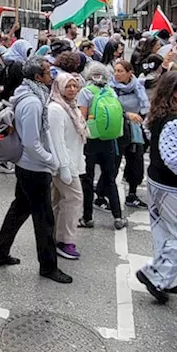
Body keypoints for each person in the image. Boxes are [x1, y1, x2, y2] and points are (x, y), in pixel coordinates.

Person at [0, 56, 73, 283]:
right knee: (44, 219)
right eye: (47, 72)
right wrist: (51, 161)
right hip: (34, 169)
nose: (51, 76)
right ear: (38, 77)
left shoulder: (33, 95)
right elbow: (31, 142)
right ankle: (48, 267)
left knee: (19, 211)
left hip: (30, 167)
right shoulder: (33, 102)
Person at [135, 71, 177, 303]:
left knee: (164, 232)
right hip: (175, 188)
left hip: (161, 183)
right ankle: (156, 275)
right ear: (176, 93)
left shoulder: (163, 115)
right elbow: (173, 158)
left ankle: (168, 277)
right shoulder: (176, 121)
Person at [77, 61, 126, 230]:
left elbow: (81, 118)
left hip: (91, 140)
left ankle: (87, 217)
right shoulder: (111, 91)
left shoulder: (86, 92)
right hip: (109, 140)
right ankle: (118, 216)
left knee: (88, 179)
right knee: (110, 178)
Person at [47, 72, 88, 260]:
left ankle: (55, 236)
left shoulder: (70, 107)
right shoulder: (56, 109)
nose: (72, 89)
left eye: (75, 86)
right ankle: (65, 240)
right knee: (74, 199)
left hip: (70, 162)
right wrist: (64, 167)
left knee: (59, 200)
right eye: (68, 86)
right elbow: (57, 141)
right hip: (64, 164)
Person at [112, 59, 150, 208]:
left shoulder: (138, 87)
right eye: (115, 71)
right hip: (117, 129)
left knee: (136, 162)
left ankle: (132, 194)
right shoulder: (109, 88)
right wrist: (126, 114)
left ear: (130, 73)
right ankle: (102, 194)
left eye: (120, 71)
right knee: (113, 164)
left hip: (135, 130)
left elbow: (145, 108)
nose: (116, 74)